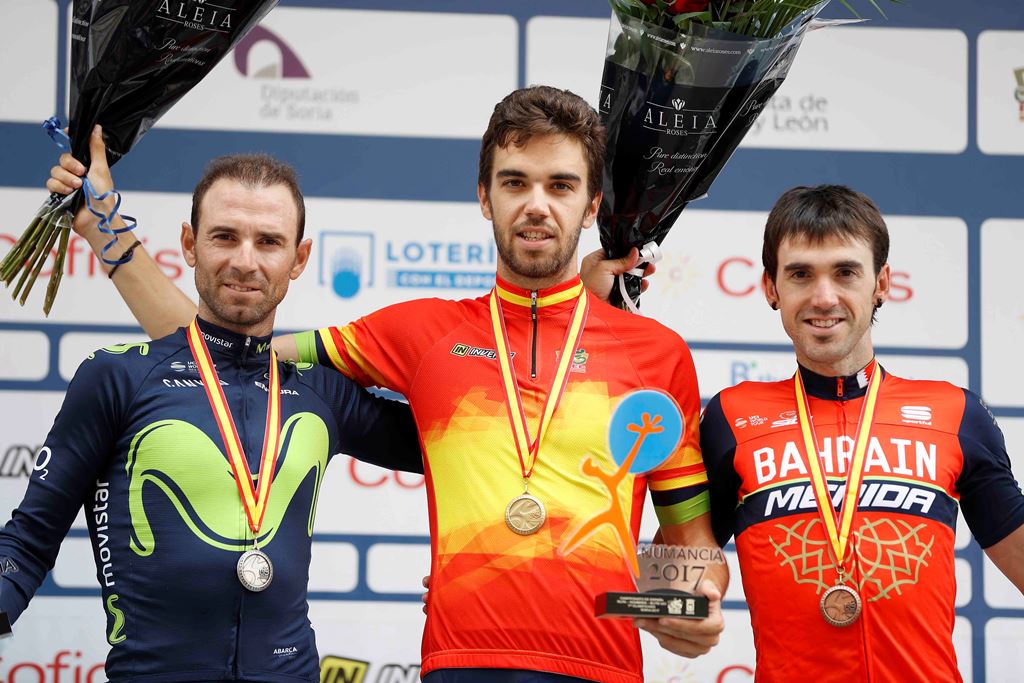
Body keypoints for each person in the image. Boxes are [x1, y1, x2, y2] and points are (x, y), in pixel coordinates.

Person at [46, 87, 728, 682]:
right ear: (484, 196)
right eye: (515, 182)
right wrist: (106, 231)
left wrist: (679, 605)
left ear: (591, 204)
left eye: (560, 186)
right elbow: (219, 352)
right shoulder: (421, 333)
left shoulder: (654, 355)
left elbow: (689, 546)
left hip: (602, 668)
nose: (536, 205)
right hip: (460, 666)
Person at [0, 136, 424, 682]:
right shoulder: (118, 377)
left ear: (298, 259)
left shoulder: (321, 390)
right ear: (189, 244)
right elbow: (27, 542)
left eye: (268, 242)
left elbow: (462, 448)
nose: (245, 261)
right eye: (225, 236)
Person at [698, 184, 1024, 682]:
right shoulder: (731, 417)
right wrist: (672, 603)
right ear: (770, 287)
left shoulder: (956, 413)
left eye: (846, 272)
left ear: (881, 283)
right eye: (800, 274)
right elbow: (677, 557)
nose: (824, 297)